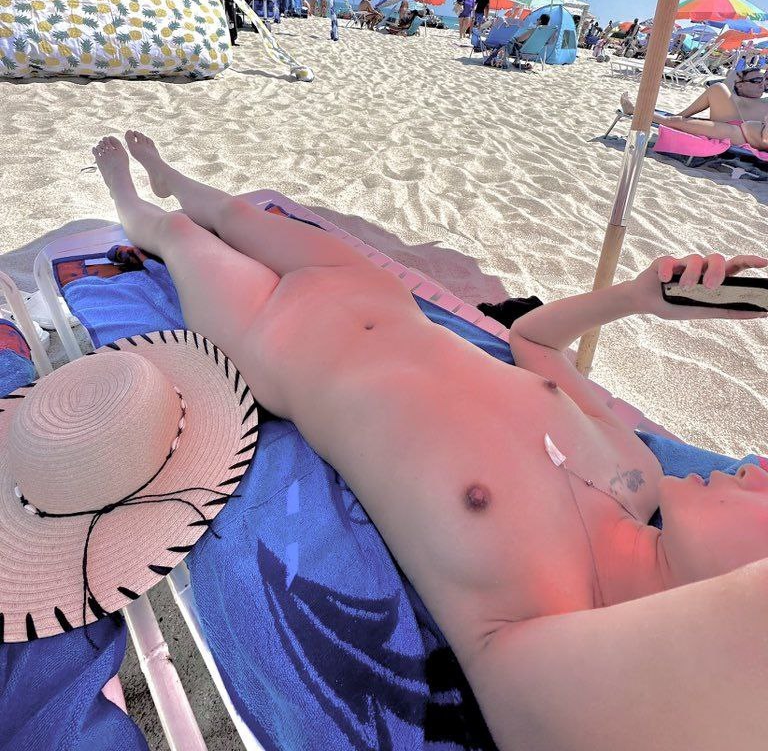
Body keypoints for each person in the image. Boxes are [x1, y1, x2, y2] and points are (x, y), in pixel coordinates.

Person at [88, 130, 768, 751]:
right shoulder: (637, 468)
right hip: (373, 291)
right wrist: (636, 299)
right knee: (237, 214)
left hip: (274, 342)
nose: (759, 469)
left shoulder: (538, 632)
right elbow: (531, 342)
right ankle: (168, 173)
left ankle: (132, 198)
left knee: (179, 234)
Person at [621, 87, 768, 152]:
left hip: (736, 134)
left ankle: (634, 110)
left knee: (676, 123)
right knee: (717, 89)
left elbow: (765, 138)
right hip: (738, 125)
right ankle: (679, 115)